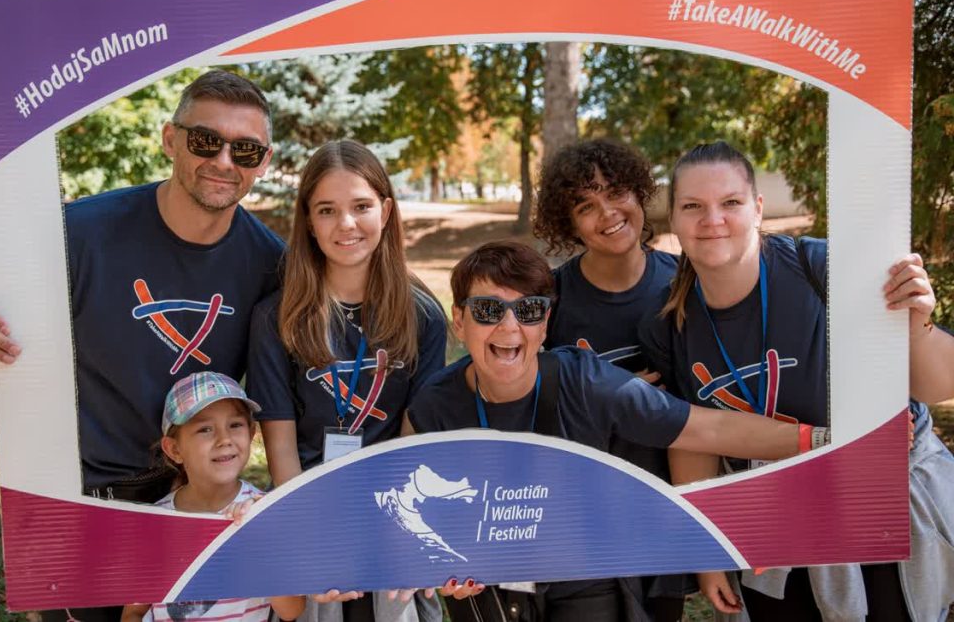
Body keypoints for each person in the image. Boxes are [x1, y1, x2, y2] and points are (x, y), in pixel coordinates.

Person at [0, 70, 286, 621]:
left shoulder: (272, 264)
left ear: (263, 162)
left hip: (193, 504)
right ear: (170, 139)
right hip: (85, 502)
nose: (224, 161)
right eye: (206, 141)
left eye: (244, 150)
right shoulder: (80, 232)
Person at [403, 240, 830, 622]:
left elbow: (707, 428)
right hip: (490, 588)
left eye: (528, 310)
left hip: (583, 577)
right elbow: (405, 512)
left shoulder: (585, 383)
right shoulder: (433, 408)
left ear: (545, 323)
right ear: (459, 320)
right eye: (488, 310)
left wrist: (821, 442)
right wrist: (440, 561)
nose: (509, 327)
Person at [637, 141, 954, 622]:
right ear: (674, 220)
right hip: (771, 512)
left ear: (758, 208)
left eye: (730, 202)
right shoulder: (667, 323)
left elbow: (937, 387)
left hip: (876, 495)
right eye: (693, 207)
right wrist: (705, 552)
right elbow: (693, 437)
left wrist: (917, 325)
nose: (712, 220)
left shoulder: (822, 268)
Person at [246, 139, 448, 622]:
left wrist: (400, 530)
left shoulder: (423, 316)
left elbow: (415, 437)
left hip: (392, 514)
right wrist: (308, 537)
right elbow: (280, 446)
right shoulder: (276, 318)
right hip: (310, 510)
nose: (346, 224)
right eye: (327, 210)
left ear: (386, 211)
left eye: (361, 206)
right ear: (308, 222)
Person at [534, 138, 686, 621]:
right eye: (586, 206)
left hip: (666, 497)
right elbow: (530, 402)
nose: (607, 213)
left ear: (640, 193)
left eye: (616, 192)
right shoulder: (552, 298)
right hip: (586, 508)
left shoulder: (685, 282)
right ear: (568, 223)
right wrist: (613, 401)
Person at [121, 371, 307, 622]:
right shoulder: (153, 523)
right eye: (205, 429)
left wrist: (260, 544)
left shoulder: (263, 512)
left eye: (235, 425)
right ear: (174, 449)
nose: (224, 439)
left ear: (251, 432)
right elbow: (134, 612)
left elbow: (291, 610)